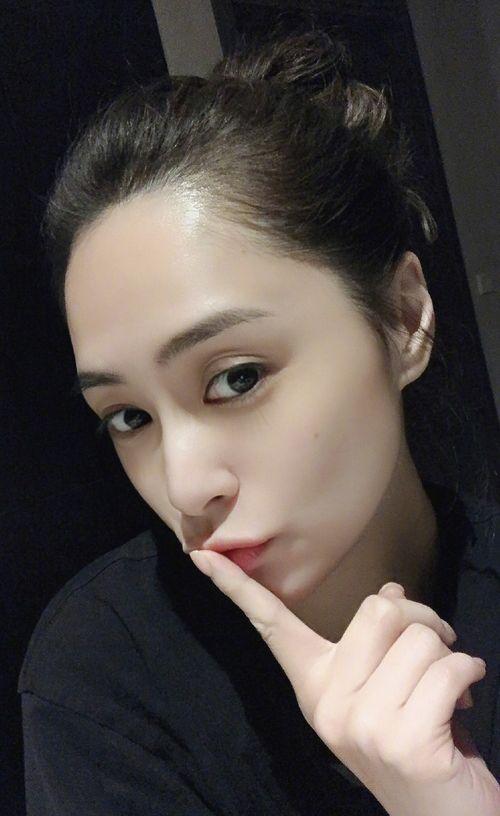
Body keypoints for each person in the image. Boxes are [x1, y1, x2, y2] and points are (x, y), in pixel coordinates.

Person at [17, 28, 500, 815]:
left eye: (236, 378)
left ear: (403, 317)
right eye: (129, 416)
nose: (186, 486)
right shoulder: (107, 679)